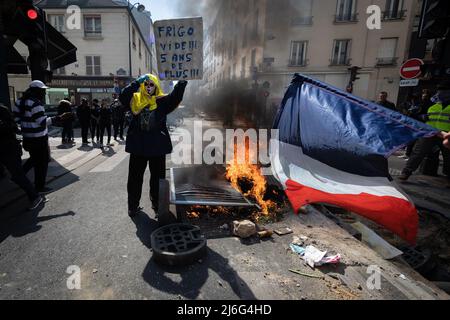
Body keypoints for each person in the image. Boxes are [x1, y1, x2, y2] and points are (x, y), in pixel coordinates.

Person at [119, 74, 188, 217]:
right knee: (134, 179)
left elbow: (175, 97)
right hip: (138, 147)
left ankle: (157, 206)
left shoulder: (162, 101)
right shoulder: (135, 99)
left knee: (157, 179)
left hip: (157, 148)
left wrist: (181, 83)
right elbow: (123, 96)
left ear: (156, 87)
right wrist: (137, 82)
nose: (149, 87)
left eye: (152, 85)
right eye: (146, 84)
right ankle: (133, 206)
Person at [13, 80, 71, 193]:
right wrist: (59, 117)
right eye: (42, 91)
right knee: (42, 163)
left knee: (34, 159)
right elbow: (42, 121)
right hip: (39, 138)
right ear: (36, 91)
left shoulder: (19, 101)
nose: (43, 93)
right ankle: (39, 187)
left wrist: (27, 125)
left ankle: (18, 176)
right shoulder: (36, 103)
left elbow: (16, 119)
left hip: (27, 137)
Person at [399, 82, 450, 185]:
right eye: (439, 91)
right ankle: (406, 172)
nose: (440, 93)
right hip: (430, 133)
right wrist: (422, 117)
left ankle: (448, 177)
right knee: (418, 152)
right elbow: (418, 115)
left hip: (446, 135)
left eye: (444, 91)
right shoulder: (432, 106)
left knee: (448, 157)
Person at [0, 103, 45, 210]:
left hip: (9, 149)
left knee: (18, 175)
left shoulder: (2, 110)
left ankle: (35, 196)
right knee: (13, 174)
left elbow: (13, 127)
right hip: (5, 149)